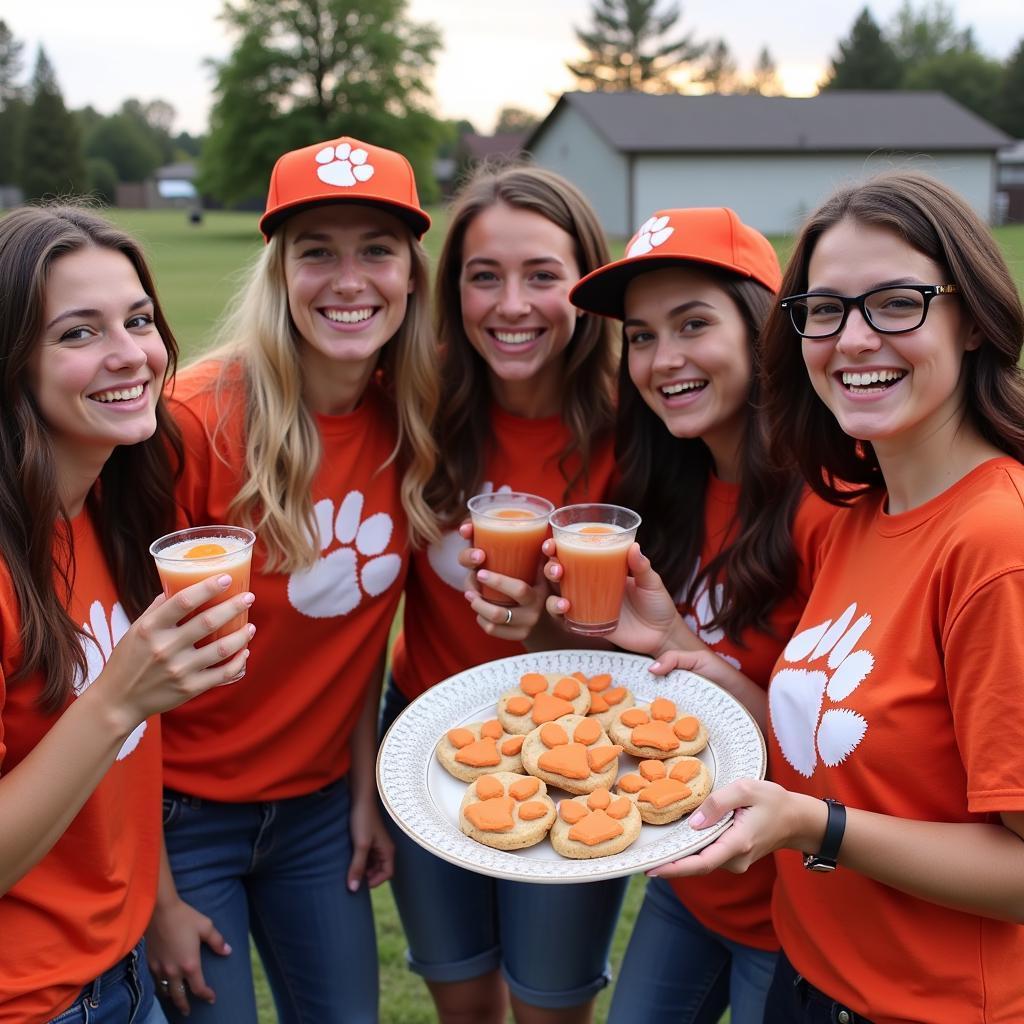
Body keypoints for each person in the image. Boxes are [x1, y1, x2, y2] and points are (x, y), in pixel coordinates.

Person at [650, 171, 1024, 1024]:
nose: (853, 339)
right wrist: (685, 647)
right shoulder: (857, 512)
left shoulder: (998, 545)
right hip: (814, 980)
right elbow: (824, 742)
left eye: (896, 303)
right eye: (824, 310)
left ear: (970, 321)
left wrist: (819, 829)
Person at [144, 136, 437, 1024]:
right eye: (317, 252)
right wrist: (153, 894)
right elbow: (111, 675)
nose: (349, 280)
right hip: (181, 818)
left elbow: (348, 646)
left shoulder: (411, 423)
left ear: (411, 275)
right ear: (279, 273)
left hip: (315, 816)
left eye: (376, 251)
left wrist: (360, 793)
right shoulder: (195, 422)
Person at [548, 208, 836, 1024]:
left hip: (794, 910)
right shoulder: (664, 490)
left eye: (693, 324)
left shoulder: (825, 508)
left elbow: (829, 748)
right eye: (640, 336)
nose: (662, 359)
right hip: (689, 882)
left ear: (760, 333)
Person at [0, 206, 254, 1024]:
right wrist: (117, 698)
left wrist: (156, 905)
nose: (131, 355)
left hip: (122, 969)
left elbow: (120, 780)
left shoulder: (113, 504)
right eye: (79, 333)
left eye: (138, 320)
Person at [382, 164, 620, 1024]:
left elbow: (666, 638)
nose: (511, 304)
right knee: (462, 1000)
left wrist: (545, 630)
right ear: (454, 293)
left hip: (577, 755)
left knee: (550, 1005)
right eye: (485, 276)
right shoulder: (416, 403)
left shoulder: (642, 425)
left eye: (543, 275)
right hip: (426, 741)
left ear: (587, 284)